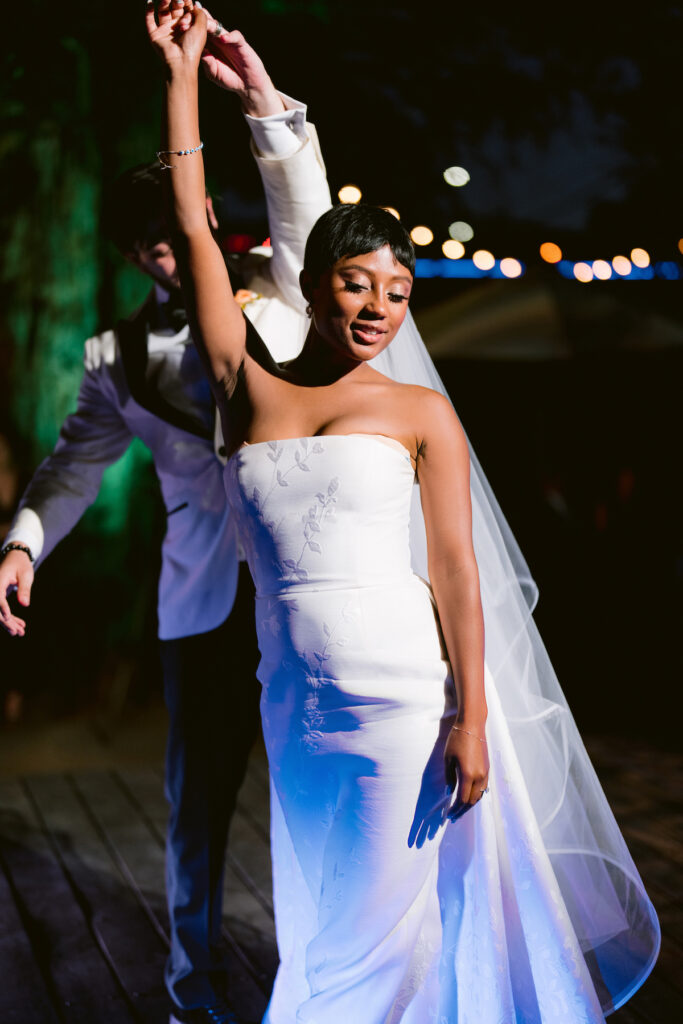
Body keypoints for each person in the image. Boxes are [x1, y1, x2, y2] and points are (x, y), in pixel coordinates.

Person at [147, 3, 660, 1022]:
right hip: (289, 703)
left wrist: (470, 714)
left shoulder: (422, 410)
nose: (379, 305)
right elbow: (193, 224)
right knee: (319, 915)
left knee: (381, 937)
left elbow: (460, 573)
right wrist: (180, 73)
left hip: (399, 707)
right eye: (356, 283)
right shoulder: (244, 385)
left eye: (398, 289)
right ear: (311, 288)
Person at [0, 17, 331, 1024]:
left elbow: (305, 211)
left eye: (180, 233)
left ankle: (325, 980)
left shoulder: (282, 300)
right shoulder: (112, 359)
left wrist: (259, 99)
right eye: (150, 244)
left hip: (307, 596)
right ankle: (195, 991)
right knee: (195, 810)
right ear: (136, 256)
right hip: (201, 610)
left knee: (317, 801)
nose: (170, 254)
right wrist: (21, 544)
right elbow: (70, 468)